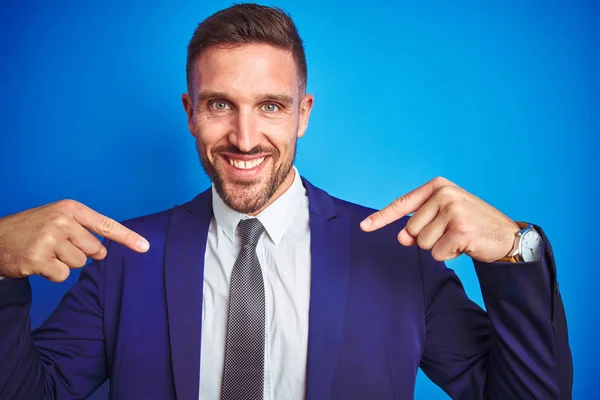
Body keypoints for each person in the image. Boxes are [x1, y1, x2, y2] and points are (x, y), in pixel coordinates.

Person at [0, 3, 572, 400]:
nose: (245, 138)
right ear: (189, 112)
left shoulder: (397, 254)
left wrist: (514, 251)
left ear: (303, 113)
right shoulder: (126, 256)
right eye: (220, 105)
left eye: (271, 106)